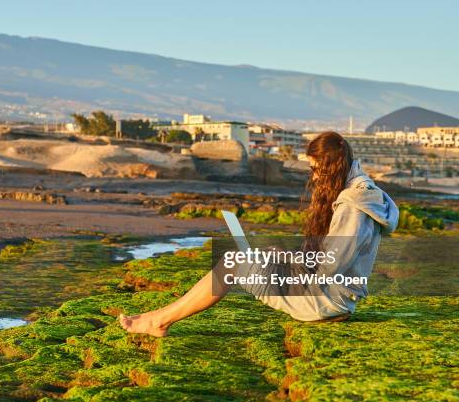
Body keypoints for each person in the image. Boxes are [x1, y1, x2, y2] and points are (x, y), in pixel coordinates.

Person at [119, 131, 399, 337]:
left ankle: (159, 321)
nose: (313, 178)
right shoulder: (356, 194)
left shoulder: (354, 207)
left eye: (317, 170)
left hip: (326, 300)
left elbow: (331, 267)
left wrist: (288, 263)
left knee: (233, 263)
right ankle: (160, 318)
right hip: (327, 292)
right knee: (242, 258)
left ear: (332, 168)